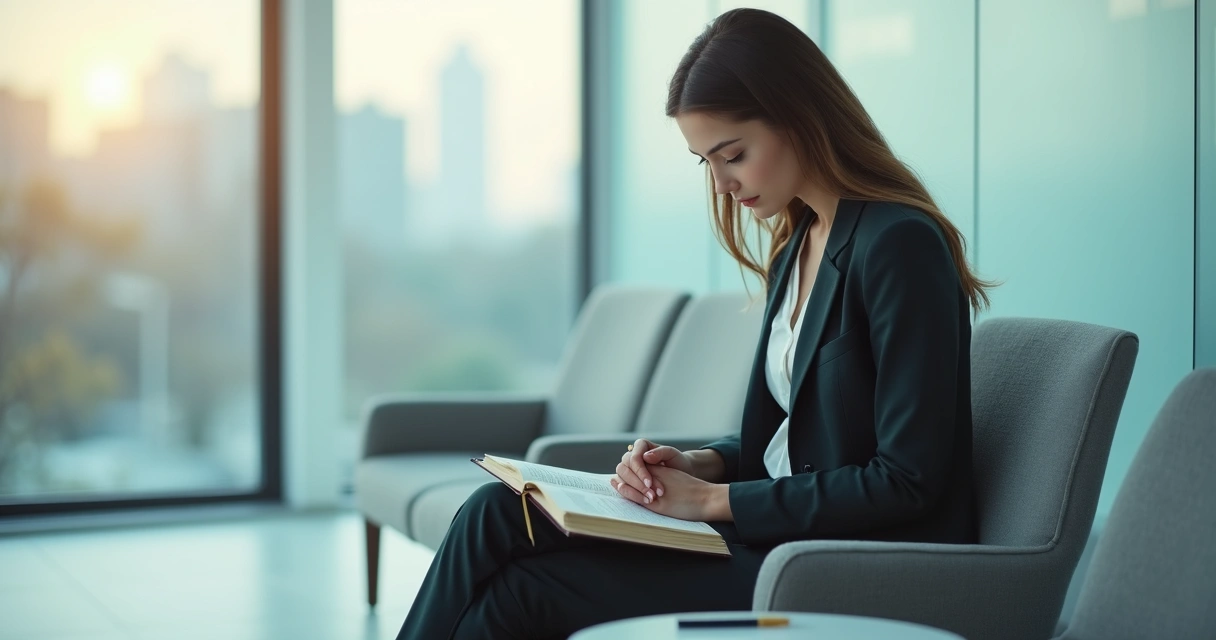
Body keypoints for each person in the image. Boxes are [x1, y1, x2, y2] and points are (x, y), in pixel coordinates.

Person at [395, 8, 993, 639]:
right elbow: (800, 442)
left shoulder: (898, 244)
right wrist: (701, 464)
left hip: (843, 561)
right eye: (705, 161)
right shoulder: (799, 244)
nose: (724, 183)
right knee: (498, 509)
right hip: (778, 532)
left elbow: (907, 480)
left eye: (733, 154)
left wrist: (713, 502)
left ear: (800, 115)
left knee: (519, 595)